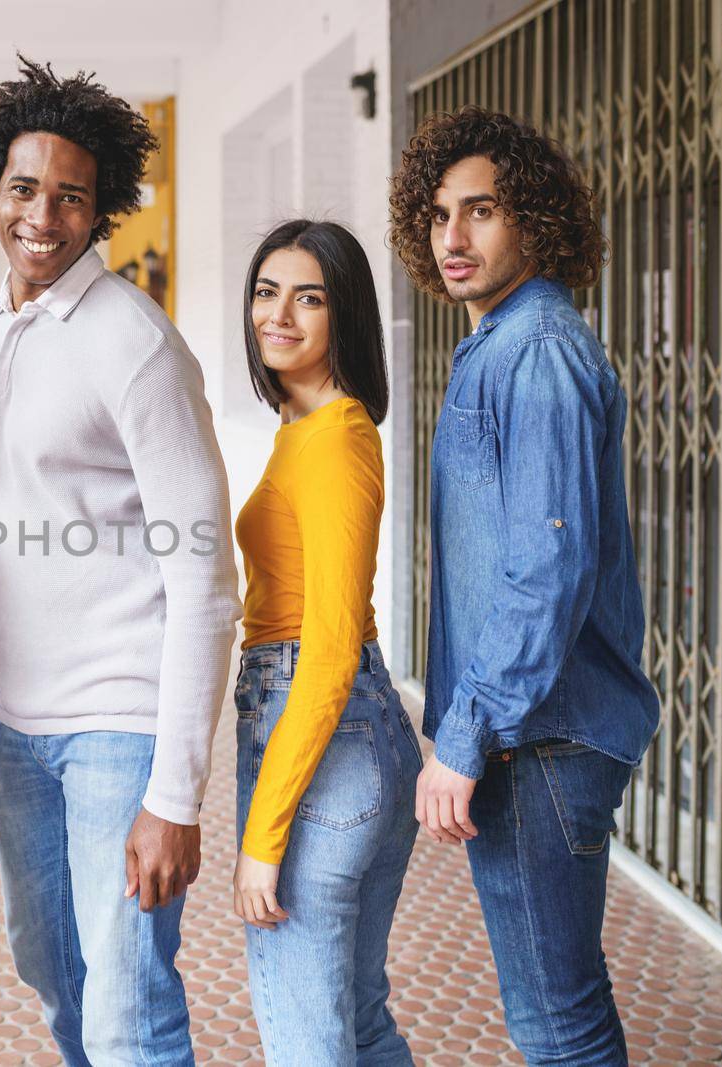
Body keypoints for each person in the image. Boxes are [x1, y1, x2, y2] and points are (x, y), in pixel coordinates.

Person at [0, 57, 239, 1065]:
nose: (41, 216)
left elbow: (206, 581)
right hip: (19, 731)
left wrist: (173, 794)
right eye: (23, 190)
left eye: (70, 197)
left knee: (128, 1010)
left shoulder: (135, 345)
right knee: (51, 971)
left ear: (104, 212)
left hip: (121, 730)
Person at [388, 106, 660, 1064]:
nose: (453, 239)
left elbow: (547, 565)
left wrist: (465, 735)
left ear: (532, 221)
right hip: (528, 731)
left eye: (482, 212)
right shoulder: (499, 340)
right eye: (438, 216)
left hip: (537, 737)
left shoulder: (536, 349)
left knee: (558, 1017)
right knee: (554, 1004)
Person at [228, 220, 419, 1065]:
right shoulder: (303, 430)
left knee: (307, 1033)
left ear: (346, 315)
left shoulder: (338, 438)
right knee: (357, 1020)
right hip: (352, 735)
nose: (280, 313)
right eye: (268, 291)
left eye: (310, 297)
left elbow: (332, 646)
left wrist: (264, 837)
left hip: (322, 733)